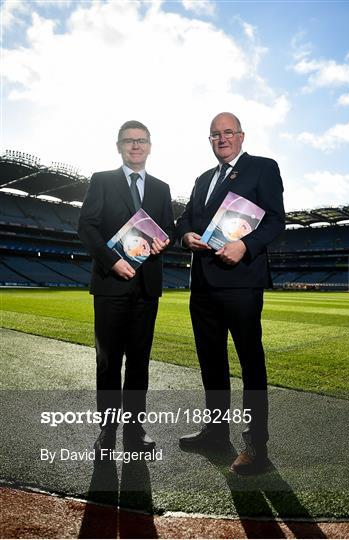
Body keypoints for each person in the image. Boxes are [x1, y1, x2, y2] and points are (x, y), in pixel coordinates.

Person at [176, 112, 285, 474]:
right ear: (210, 140)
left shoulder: (263, 167)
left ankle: (257, 447)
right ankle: (216, 432)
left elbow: (275, 219)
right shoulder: (202, 179)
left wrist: (247, 245)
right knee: (211, 361)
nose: (221, 139)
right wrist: (185, 235)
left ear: (241, 136)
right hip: (203, 284)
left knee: (250, 362)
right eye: (214, 135)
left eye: (228, 133)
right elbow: (187, 218)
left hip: (240, 280)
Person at [78, 120, 175, 454]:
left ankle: (134, 429)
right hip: (110, 285)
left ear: (150, 146)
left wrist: (165, 241)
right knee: (108, 362)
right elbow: (86, 227)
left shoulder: (162, 188)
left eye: (142, 140)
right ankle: (107, 430)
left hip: (146, 288)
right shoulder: (102, 181)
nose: (136, 146)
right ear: (118, 146)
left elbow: (169, 230)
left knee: (139, 363)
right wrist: (111, 261)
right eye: (129, 141)